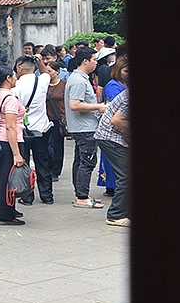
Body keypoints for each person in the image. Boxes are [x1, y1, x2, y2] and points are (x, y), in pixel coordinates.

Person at [64, 47, 108, 208]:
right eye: (94, 59)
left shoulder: (79, 78)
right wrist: (98, 107)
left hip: (82, 127)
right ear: (85, 61)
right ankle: (82, 197)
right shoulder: (78, 80)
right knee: (87, 162)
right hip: (85, 127)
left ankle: (80, 194)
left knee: (80, 160)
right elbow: (75, 104)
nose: (96, 63)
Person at [0, 64, 28, 225]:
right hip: (9, 141)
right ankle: (5, 215)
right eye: (14, 75)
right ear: (8, 79)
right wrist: (17, 153)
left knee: (4, 176)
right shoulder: (10, 99)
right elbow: (11, 127)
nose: (16, 78)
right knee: (8, 178)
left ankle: (9, 209)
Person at [12, 55, 54, 205]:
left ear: (20, 68)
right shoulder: (42, 80)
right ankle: (47, 195)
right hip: (41, 128)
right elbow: (46, 73)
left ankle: (27, 196)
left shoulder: (16, 86)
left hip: (23, 130)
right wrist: (40, 61)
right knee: (42, 162)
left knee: (24, 163)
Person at [95, 88, 130, 227]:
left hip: (117, 137)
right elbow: (117, 120)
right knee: (126, 175)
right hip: (110, 137)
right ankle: (115, 215)